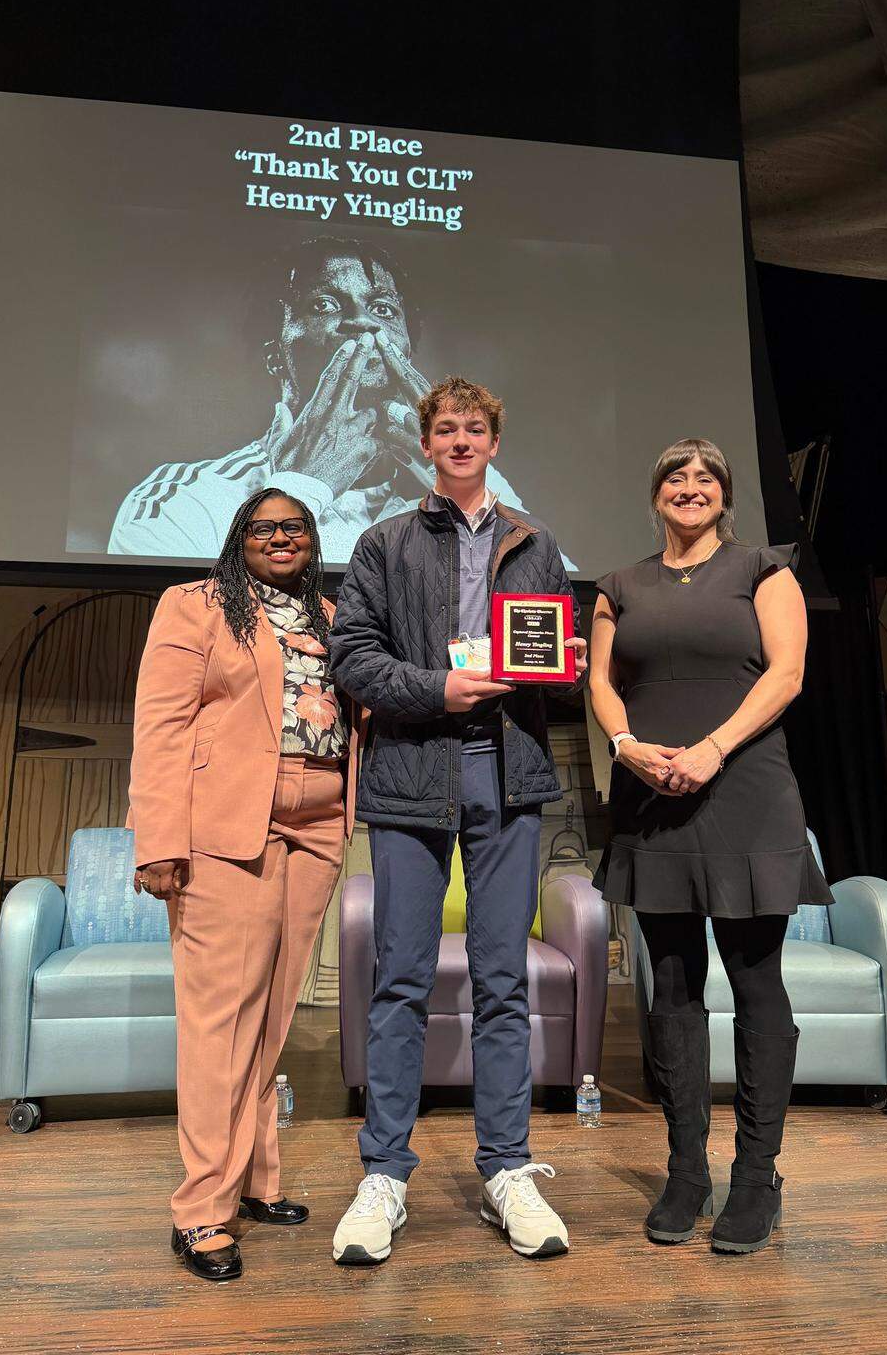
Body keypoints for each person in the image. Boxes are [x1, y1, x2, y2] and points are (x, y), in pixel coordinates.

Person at [326, 376, 587, 1266]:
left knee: (502, 980)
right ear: (426, 445)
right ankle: (385, 1176)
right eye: (446, 428)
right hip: (410, 778)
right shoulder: (384, 541)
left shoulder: (536, 541)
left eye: (475, 428)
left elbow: (555, 655)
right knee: (399, 978)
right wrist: (436, 688)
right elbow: (352, 657)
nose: (461, 440)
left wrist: (568, 663)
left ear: (494, 444)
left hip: (507, 780)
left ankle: (506, 1170)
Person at [588, 437, 832, 1256]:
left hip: (745, 790)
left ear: (725, 497)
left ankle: (756, 1177)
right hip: (653, 796)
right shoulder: (619, 586)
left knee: (757, 982)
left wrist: (713, 748)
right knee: (673, 985)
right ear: (655, 494)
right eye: (674, 477)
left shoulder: (766, 570)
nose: (690, 487)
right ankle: (687, 1171)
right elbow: (601, 684)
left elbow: (787, 674)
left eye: (705, 478)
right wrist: (626, 746)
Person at [129, 487, 357, 1281]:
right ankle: (199, 1210)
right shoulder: (194, 605)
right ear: (238, 538)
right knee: (219, 1020)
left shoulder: (329, 614)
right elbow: (159, 726)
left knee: (271, 1016)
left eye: (295, 527)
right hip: (228, 828)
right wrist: (158, 841)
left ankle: (256, 1179)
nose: (281, 538)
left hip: (318, 826)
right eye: (264, 528)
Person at [107, 235, 551, 564]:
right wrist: (304, 488)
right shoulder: (184, 498)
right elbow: (202, 640)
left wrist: (475, 484)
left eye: (382, 309)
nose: (364, 324)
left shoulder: (464, 499)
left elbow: (544, 611)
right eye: (323, 305)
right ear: (273, 354)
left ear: (406, 348)